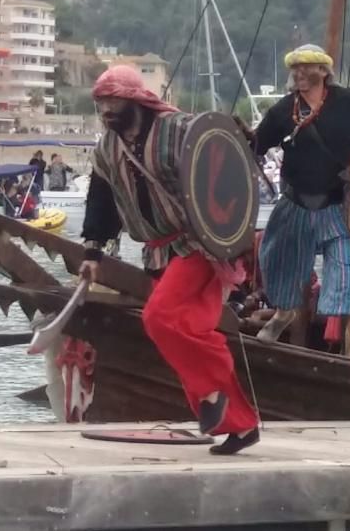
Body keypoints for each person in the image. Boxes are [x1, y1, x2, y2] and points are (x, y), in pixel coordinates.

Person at [80, 65, 260, 455]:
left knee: (158, 318)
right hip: (157, 249)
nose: (107, 110)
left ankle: (212, 391)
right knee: (189, 331)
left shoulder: (178, 130)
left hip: (196, 245)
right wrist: (93, 250)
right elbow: (100, 200)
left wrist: (236, 134)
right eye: (102, 103)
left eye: (113, 101)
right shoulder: (106, 148)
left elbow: (220, 154)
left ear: (134, 99)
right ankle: (241, 425)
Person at [252, 44, 350, 396]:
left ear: (322, 72)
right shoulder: (283, 110)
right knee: (275, 262)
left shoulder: (347, 101)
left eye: (305, 68)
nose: (298, 73)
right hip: (294, 205)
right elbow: (257, 145)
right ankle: (283, 315)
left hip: (336, 207)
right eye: (294, 69)